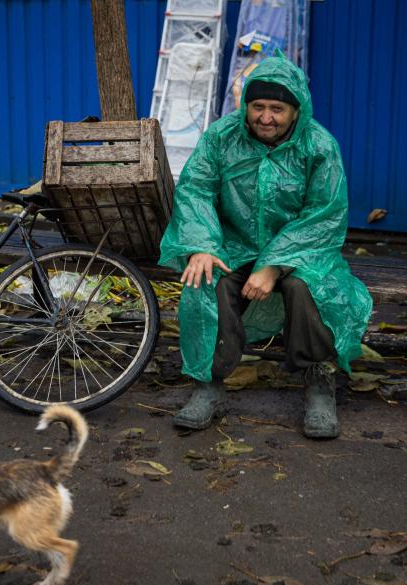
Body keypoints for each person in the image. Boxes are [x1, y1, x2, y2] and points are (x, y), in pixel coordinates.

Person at [158, 53, 372, 439]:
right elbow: (195, 189)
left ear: (296, 111)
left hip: (304, 254)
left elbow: (324, 214)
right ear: (247, 105)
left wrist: (274, 265)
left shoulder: (319, 146)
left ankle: (319, 383)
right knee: (207, 280)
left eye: (277, 108)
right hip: (235, 245)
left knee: (307, 288)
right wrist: (203, 244)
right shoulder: (222, 137)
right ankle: (208, 386)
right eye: (258, 106)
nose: (266, 117)